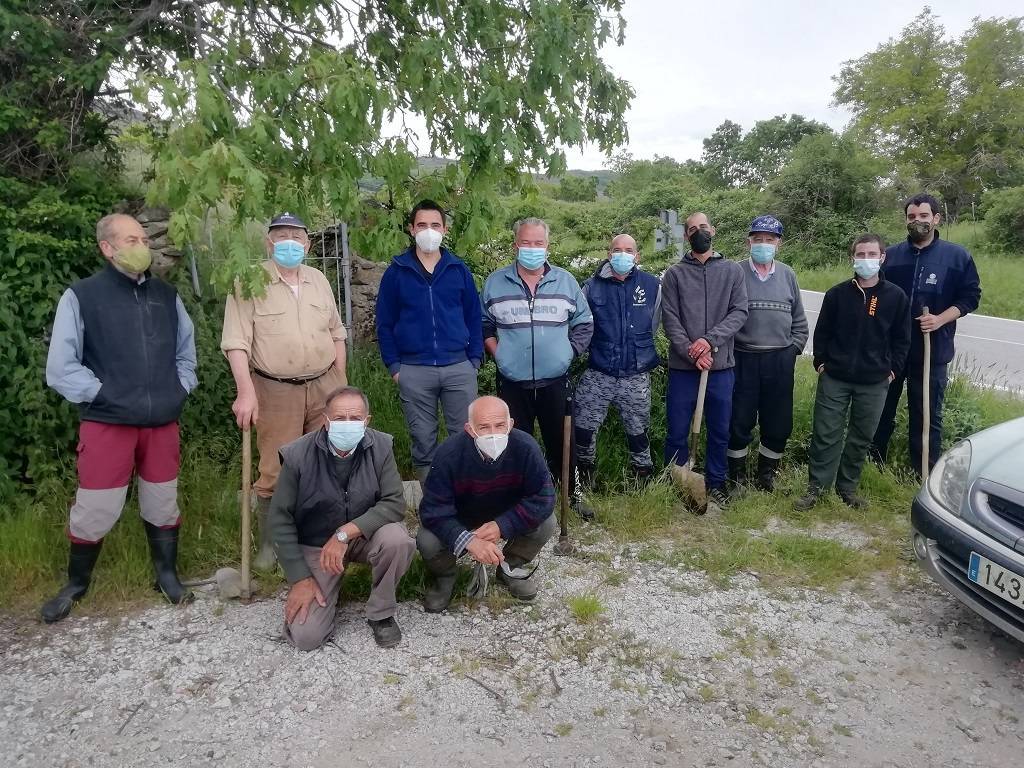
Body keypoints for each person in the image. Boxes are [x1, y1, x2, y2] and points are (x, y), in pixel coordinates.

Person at [41, 213, 198, 623]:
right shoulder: (82, 296)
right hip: (108, 423)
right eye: (131, 238)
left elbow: (186, 351)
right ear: (107, 248)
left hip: (161, 422)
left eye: (143, 237)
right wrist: (105, 394)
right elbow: (61, 368)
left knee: (163, 503)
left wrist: (179, 388)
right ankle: (76, 584)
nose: (141, 245)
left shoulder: (167, 295)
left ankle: (166, 575)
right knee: (96, 508)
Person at [221, 212, 348, 570]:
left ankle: (317, 539)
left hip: (325, 384)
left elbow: (336, 333)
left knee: (325, 464)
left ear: (307, 244)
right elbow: (236, 342)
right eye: (282, 236)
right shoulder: (249, 282)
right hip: (275, 389)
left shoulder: (318, 279)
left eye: (297, 236)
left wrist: (341, 383)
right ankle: (270, 547)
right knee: (276, 470)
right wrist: (245, 392)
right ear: (269, 242)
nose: (290, 243)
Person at [269, 386, 414, 650]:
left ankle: (381, 613)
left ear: (366, 421)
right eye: (339, 418)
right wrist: (300, 578)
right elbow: (280, 519)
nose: (348, 424)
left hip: (360, 537)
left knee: (398, 540)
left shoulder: (381, 446)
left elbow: (394, 503)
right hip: (316, 544)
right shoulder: (297, 455)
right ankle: (324, 589)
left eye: (355, 418)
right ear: (325, 420)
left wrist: (345, 533)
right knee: (306, 637)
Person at [480, 218, 594, 517]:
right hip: (512, 381)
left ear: (547, 246)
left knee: (563, 441)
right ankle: (515, 500)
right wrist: (498, 354)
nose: (532, 249)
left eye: (538, 243)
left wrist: (568, 353)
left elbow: (584, 323)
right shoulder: (495, 282)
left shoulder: (566, 281)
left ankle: (572, 496)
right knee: (513, 443)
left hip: (555, 380)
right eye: (526, 243)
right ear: (516, 245)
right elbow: (484, 325)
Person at [795, 235, 911, 511]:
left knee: (862, 436)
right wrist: (821, 363)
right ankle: (816, 488)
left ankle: (847, 488)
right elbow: (822, 333)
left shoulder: (895, 296)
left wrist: (892, 370)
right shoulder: (837, 294)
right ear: (853, 258)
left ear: (882, 258)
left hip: (874, 381)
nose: (866, 259)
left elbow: (902, 339)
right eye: (861, 254)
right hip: (835, 377)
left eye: (872, 254)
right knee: (826, 433)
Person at [870, 194, 982, 476]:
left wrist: (940, 319)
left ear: (936, 218)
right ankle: (873, 465)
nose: (917, 221)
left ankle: (922, 473)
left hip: (933, 350)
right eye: (911, 217)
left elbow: (971, 297)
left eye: (923, 216)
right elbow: (875, 295)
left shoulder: (956, 257)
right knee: (881, 409)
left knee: (926, 414)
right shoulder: (891, 257)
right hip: (891, 351)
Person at [416, 396, 556, 612]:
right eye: (483, 427)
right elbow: (432, 511)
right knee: (427, 539)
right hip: (461, 516)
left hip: (506, 511)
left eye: (500, 425)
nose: (493, 433)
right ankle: (445, 577)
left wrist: (503, 525)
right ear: (470, 430)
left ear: (510, 424)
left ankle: (509, 567)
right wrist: (468, 540)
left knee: (547, 522)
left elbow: (544, 498)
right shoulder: (448, 454)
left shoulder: (526, 446)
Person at [375, 199, 482, 483]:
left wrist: (474, 360)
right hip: (413, 369)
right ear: (411, 229)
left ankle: (465, 498)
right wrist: (395, 368)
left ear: (445, 230)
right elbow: (384, 324)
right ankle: (432, 504)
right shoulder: (396, 272)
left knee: (467, 436)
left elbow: (474, 316)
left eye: (435, 225)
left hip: (459, 366)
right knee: (423, 440)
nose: (428, 231)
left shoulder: (458, 270)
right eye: (422, 225)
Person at [661, 212, 748, 515]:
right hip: (684, 369)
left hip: (720, 367)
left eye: (703, 227)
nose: (699, 232)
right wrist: (692, 351)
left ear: (713, 230)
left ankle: (716, 483)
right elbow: (669, 319)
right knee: (677, 430)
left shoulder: (732, 271)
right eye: (692, 229)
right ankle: (677, 484)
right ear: (686, 236)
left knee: (720, 430)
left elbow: (739, 312)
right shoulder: (674, 274)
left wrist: (710, 342)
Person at [727, 215, 808, 492]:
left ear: (778, 244)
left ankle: (766, 475)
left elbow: (800, 322)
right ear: (749, 242)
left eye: (769, 240)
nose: (763, 244)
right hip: (742, 358)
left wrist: (792, 350)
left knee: (778, 421)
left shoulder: (788, 275)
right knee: (739, 419)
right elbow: (725, 316)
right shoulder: (735, 272)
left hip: (779, 359)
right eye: (758, 239)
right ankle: (736, 476)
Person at [574, 233, 661, 484]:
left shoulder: (652, 285)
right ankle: (585, 476)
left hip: (636, 373)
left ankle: (642, 476)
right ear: (609, 254)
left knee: (639, 429)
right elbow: (581, 326)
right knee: (583, 427)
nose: (623, 254)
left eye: (629, 250)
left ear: (637, 255)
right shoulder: (590, 287)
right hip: (599, 370)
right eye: (617, 250)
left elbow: (654, 324)